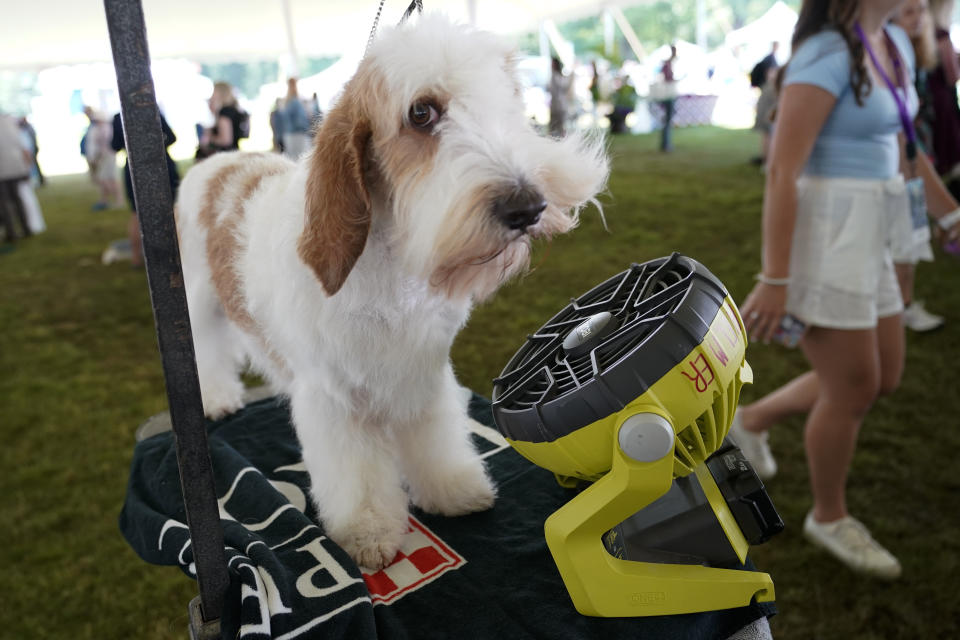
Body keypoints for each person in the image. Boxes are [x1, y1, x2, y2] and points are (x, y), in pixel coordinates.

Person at [733, 0, 960, 580]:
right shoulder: (826, 54)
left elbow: (907, 147)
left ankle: (752, 420)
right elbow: (784, 171)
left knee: (881, 377)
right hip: (828, 233)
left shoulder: (897, 43)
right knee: (854, 388)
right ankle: (829, 517)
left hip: (874, 227)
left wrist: (949, 214)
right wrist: (775, 278)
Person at [893, 0, 946, 331]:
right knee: (905, 237)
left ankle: (904, 303)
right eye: (909, 11)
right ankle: (902, 306)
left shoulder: (916, 52)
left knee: (911, 235)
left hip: (917, 158)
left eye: (922, 9)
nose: (918, 17)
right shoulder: (887, 52)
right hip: (903, 163)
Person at [111, 112, 180, 267]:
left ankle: (136, 259)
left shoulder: (118, 117)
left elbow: (114, 145)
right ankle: (174, 255)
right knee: (171, 210)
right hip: (160, 163)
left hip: (135, 167)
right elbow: (171, 137)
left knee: (137, 214)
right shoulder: (151, 109)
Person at [928, 0, 960, 177]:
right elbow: (953, 75)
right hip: (943, 100)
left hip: (929, 100)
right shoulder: (941, 34)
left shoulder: (923, 32)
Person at [0, 112, 33, 244]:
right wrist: (26, 167)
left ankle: (12, 233)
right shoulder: (11, 122)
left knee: (5, 203)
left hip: (3, 171)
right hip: (16, 167)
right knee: (18, 199)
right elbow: (23, 146)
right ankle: (26, 228)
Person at [82, 106, 122, 210]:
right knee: (107, 178)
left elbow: (105, 144)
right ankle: (105, 200)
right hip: (103, 157)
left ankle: (117, 199)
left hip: (107, 156)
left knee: (106, 178)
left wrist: (95, 156)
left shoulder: (106, 128)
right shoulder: (97, 128)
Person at [196, 81, 245, 159]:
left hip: (224, 156)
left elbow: (226, 140)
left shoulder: (225, 112)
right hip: (233, 153)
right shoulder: (234, 109)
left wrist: (209, 138)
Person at [751, 43, 780, 166]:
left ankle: (766, 160)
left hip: (766, 95)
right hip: (769, 97)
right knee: (768, 132)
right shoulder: (771, 60)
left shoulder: (769, 59)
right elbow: (772, 76)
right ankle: (767, 161)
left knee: (767, 133)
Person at [280, 77, 312, 160]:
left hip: (289, 134)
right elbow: (300, 121)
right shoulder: (296, 102)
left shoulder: (287, 102)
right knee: (302, 158)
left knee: (292, 159)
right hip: (298, 134)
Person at [659, 45, 678, 152]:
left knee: (667, 119)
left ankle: (666, 143)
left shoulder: (668, 64)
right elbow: (667, 79)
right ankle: (666, 144)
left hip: (669, 93)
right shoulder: (667, 64)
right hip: (668, 94)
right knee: (667, 119)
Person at [549, 56, 572, 137]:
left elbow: (563, 87)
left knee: (559, 126)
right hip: (555, 105)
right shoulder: (554, 75)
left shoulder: (557, 76)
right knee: (554, 126)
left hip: (559, 106)